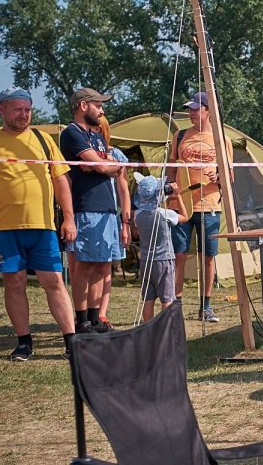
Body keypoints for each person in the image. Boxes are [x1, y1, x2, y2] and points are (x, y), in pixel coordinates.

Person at [0, 88, 76, 361]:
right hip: (3, 228)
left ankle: (72, 341)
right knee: (13, 282)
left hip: (43, 226)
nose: (24, 115)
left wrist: (70, 218)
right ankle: (24, 342)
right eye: (17, 109)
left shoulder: (44, 141)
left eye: (27, 109)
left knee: (54, 281)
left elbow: (61, 180)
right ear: (1, 110)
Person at [60, 88, 126, 335]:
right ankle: (81, 319)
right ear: (83, 105)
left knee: (102, 265)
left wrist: (104, 166)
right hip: (86, 206)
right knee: (85, 266)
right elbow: (99, 165)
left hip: (107, 208)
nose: (102, 110)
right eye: (99, 105)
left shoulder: (97, 137)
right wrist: (102, 165)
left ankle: (95, 317)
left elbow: (112, 167)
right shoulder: (71, 133)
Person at [166, 91, 233, 322]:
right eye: (190, 108)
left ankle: (206, 306)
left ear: (208, 111)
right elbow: (171, 169)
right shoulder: (180, 135)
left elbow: (230, 175)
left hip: (210, 205)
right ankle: (176, 306)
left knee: (208, 257)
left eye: (196, 108)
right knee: (178, 255)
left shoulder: (222, 139)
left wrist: (219, 176)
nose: (191, 112)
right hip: (181, 206)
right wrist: (169, 194)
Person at [131, 174, 187, 322]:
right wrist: (177, 196)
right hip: (164, 260)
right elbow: (184, 217)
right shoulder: (165, 214)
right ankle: (165, 329)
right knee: (167, 298)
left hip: (146, 261)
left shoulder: (137, 215)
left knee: (148, 299)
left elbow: (150, 211)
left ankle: (148, 328)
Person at [94, 113, 131, 330]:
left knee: (105, 267)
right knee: (85, 268)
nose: (96, 133)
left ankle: (102, 313)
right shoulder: (82, 152)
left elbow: (124, 191)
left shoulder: (116, 154)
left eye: (100, 129)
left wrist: (125, 223)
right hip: (87, 214)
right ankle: (85, 314)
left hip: (110, 216)